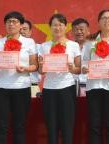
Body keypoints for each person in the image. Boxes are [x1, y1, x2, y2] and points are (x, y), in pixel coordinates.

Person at [0, 11, 38, 144]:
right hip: (0, 88)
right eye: (8, 21)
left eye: (15, 21)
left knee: (19, 126)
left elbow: (35, 65)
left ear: (21, 25)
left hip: (21, 87)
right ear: (5, 24)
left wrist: (25, 68)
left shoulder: (29, 42)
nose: (11, 24)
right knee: (1, 126)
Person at [39, 13, 81, 144]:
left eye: (60, 25)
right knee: (51, 127)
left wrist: (72, 68)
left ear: (66, 27)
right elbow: (40, 71)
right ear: (50, 27)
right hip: (49, 89)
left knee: (67, 126)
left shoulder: (73, 45)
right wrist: (42, 66)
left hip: (67, 88)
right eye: (54, 25)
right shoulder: (44, 46)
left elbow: (78, 69)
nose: (57, 28)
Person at [81, 10, 109, 144]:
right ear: (98, 22)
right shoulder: (90, 42)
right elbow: (84, 60)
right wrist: (84, 67)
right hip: (93, 87)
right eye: (104, 18)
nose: (107, 20)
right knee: (94, 125)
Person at [21, 20, 41, 91]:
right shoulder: (9, 47)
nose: (22, 31)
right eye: (20, 29)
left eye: (25, 29)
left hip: (33, 85)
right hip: (16, 85)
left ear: (30, 32)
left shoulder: (39, 47)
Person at [72, 18, 90, 94]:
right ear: (72, 32)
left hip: (89, 85)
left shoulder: (94, 46)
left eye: (81, 29)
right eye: (76, 29)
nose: (79, 32)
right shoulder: (68, 47)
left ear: (88, 30)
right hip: (71, 85)